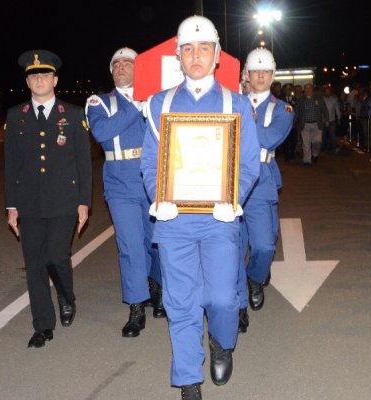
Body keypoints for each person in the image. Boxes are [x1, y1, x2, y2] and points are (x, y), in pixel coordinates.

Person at [140, 15, 260, 400]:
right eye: (188, 49)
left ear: (217, 56)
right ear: (178, 56)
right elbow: (149, 162)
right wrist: (159, 198)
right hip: (175, 221)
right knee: (181, 301)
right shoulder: (161, 103)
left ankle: (222, 343)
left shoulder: (235, 103)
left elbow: (249, 163)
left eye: (203, 48)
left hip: (219, 219)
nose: (196, 55)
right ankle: (188, 378)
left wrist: (233, 198)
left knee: (222, 298)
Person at [4, 50, 92, 348]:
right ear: (27, 81)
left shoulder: (73, 114)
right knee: (34, 262)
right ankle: (43, 324)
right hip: (29, 202)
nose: (38, 79)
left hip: (63, 200)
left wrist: (84, 201)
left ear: (55, 79)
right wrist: (11, 204)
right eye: (33, 75)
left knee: (56, 256)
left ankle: (66, 296)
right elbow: (11, 163)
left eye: (44, 74)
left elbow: (84, 162)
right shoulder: (17, 116)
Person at [85, 46, 164, 339]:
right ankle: (136, 305)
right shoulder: (100, 102)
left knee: (156, 241)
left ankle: (157, 285)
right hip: (120, 182)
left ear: (138, 69)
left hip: (152, 179)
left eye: (127, 63)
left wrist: (148, 102)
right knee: (130, 245)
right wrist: (135, 107)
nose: (121, 67)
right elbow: (103, 133)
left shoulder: (156, 99)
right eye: (116, 63)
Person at [236, 47, 293, 332]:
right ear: (246, 74)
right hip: (231, 181)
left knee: (263, 246)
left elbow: (268, 139)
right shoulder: (231, 100)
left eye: (265, 72)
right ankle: (237, 307)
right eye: (254, 71)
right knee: (231, 250)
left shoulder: (281, 109)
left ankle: (255, 277)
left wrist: (243, 114)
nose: (259, 76)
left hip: (260, 181)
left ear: (272, 76)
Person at [295, 82, 328, 165]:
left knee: (317, 141)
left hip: (317, 124)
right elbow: (296, 112)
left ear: (312, 89)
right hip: (305, 124)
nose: (308, 90)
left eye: (309, 88)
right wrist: (294, 121)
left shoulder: (319, 98)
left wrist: (326, 120)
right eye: (306, 89)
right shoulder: (300, 100)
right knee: (306, 143)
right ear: (304, 90)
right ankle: (307, 160)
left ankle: (315, 154)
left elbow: (324, 110)